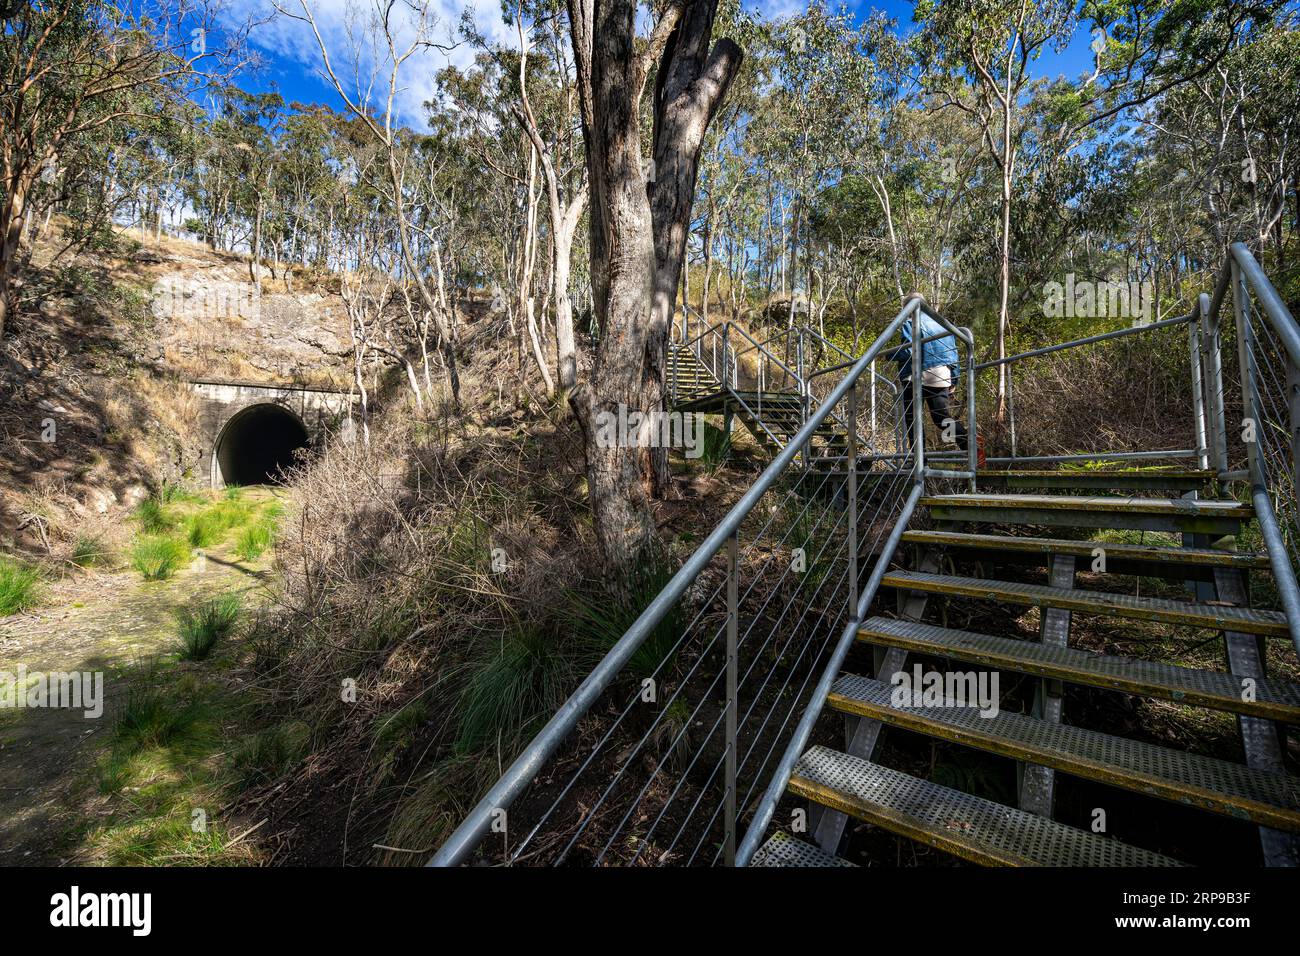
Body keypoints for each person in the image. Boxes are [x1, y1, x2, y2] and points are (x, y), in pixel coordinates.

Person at [893, 293, 968, 452]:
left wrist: (890, 354)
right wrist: (954, 380)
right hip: (940, 375)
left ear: (908, 308)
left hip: (915, 376)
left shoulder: (910, 322)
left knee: (913, 419)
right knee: (941, 417)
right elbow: (952, 355)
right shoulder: (943, 324)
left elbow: (908, 351)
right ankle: (968, 443)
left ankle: (920, 460)